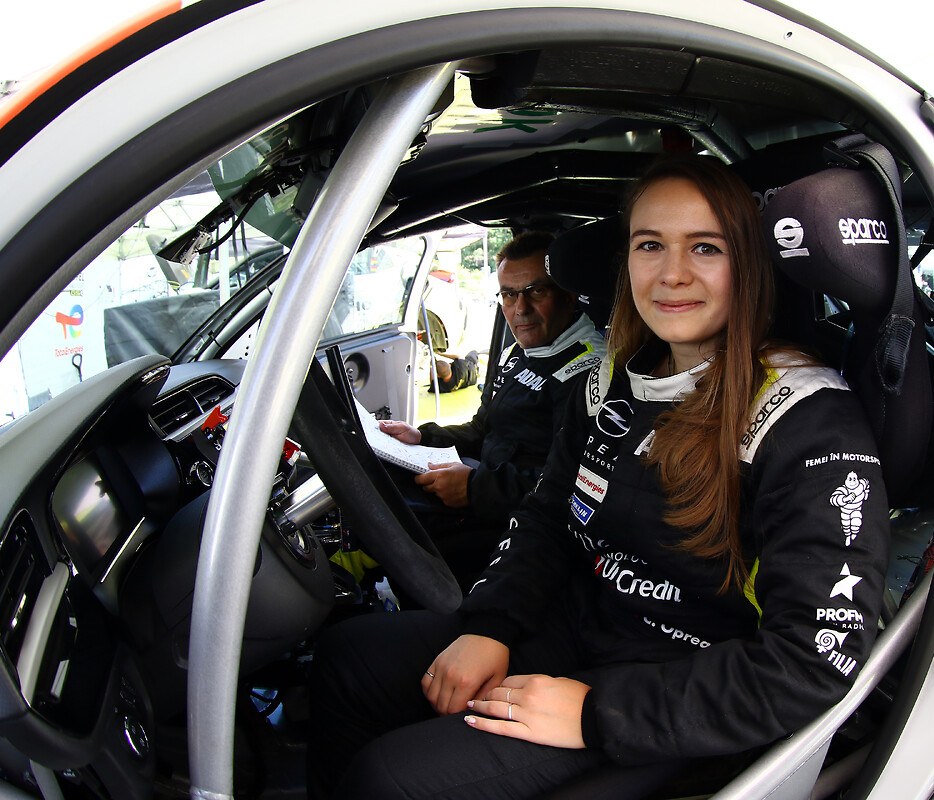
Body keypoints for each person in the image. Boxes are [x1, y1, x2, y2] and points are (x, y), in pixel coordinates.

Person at [307, 156, 890, 798]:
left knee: (388, 780)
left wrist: (594, 712)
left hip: (681, 682)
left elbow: (813, 661)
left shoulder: (805, 418)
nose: (672, 274)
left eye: (705, 247)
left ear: (748, 263)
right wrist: (491, 624)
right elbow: (547, 514)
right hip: (578, 631)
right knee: (345, 659)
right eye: (650, 245)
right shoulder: (612, 380)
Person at [379, 231, 605, 524]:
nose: (520, 309)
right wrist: (423, 436)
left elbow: (576, 485)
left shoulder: (591, 371)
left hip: (528, 522)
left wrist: (475, 487)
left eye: (536, 291)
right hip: (486, 488)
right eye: (509, 295)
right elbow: (483, 429)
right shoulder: (516, 353)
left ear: (568, 294)